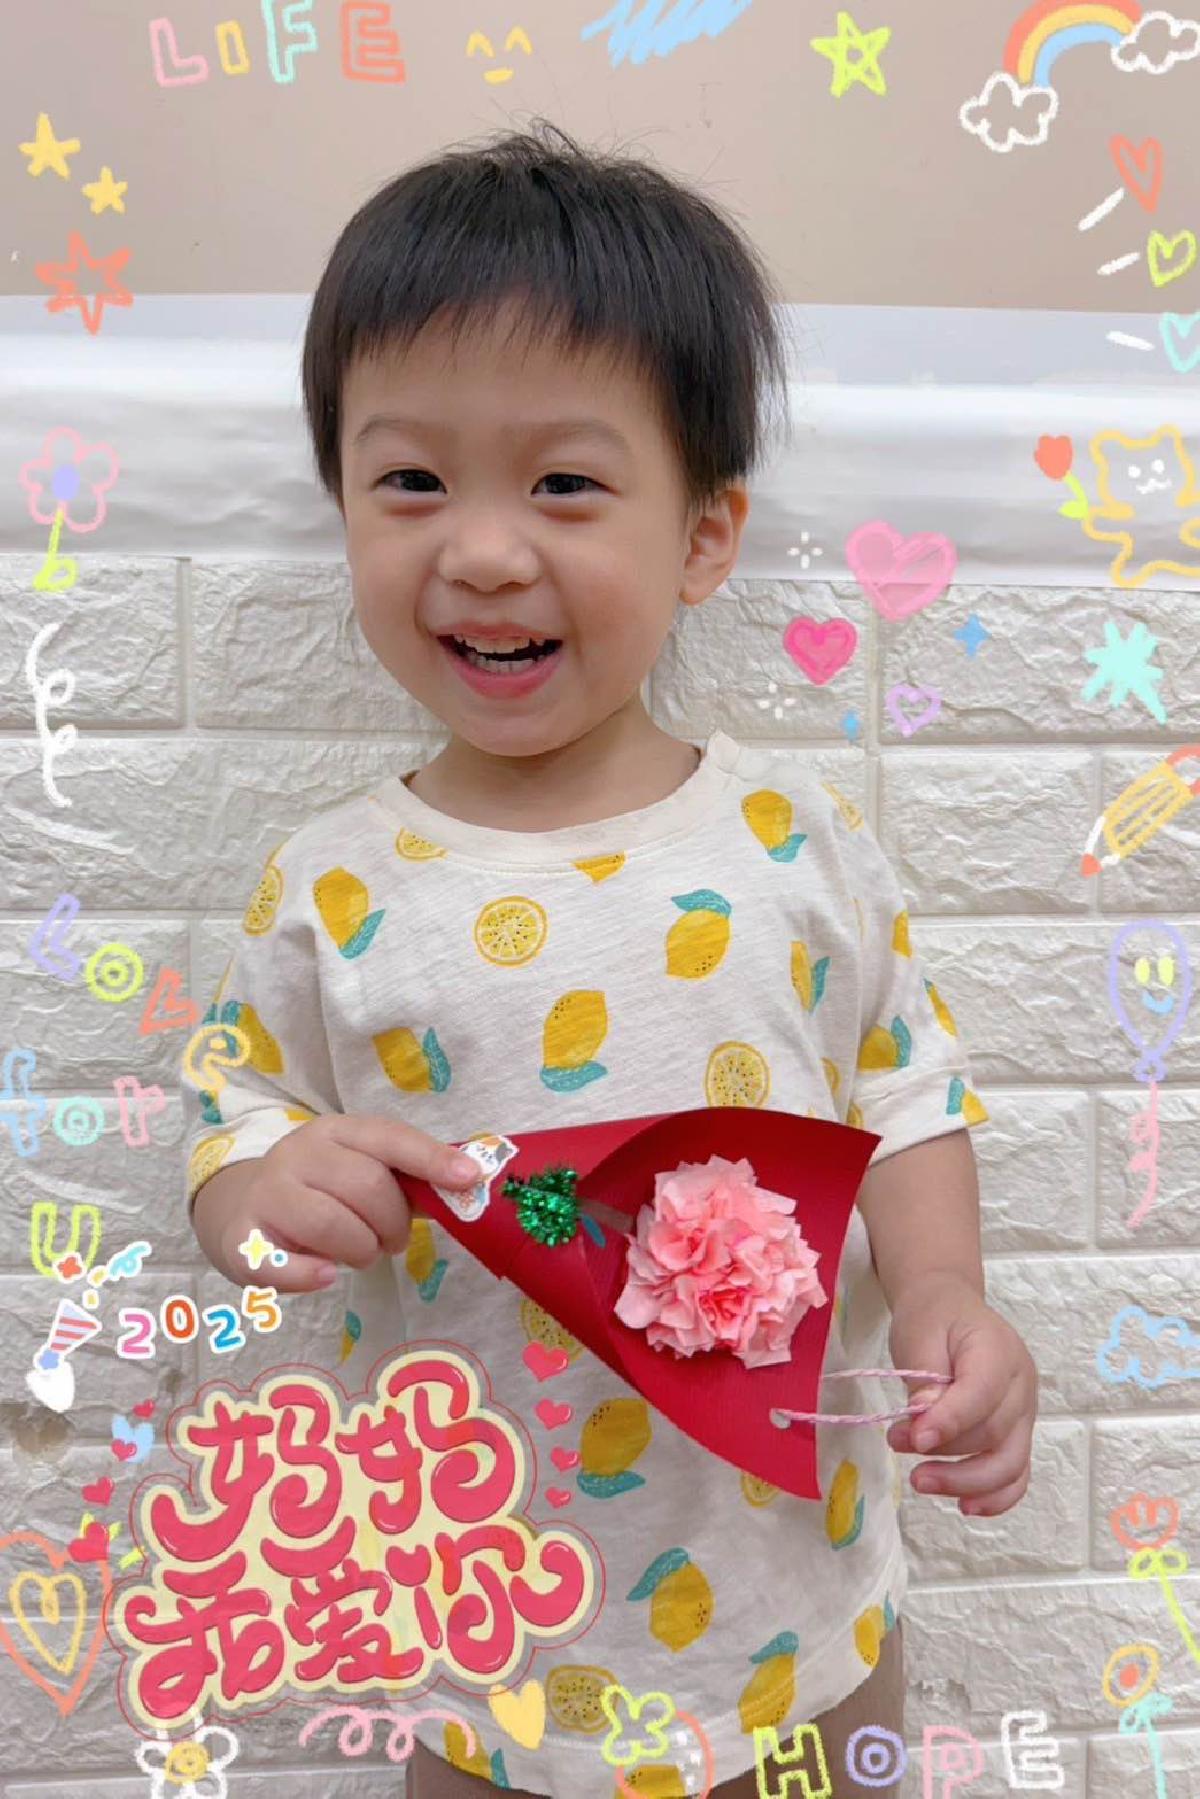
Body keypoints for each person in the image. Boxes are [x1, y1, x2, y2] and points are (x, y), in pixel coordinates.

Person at [187, 119, 1037, 1798]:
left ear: (705, 536)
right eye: (411, 482)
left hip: (794, 1616)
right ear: (343, 505)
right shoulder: (330, 884)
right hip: (478, 1628)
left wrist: (947, 1291)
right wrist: (266, 1197)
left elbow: (905, 1087)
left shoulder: (795, 845)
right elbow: (235, 1118)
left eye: (565, 484)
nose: (484, 551)